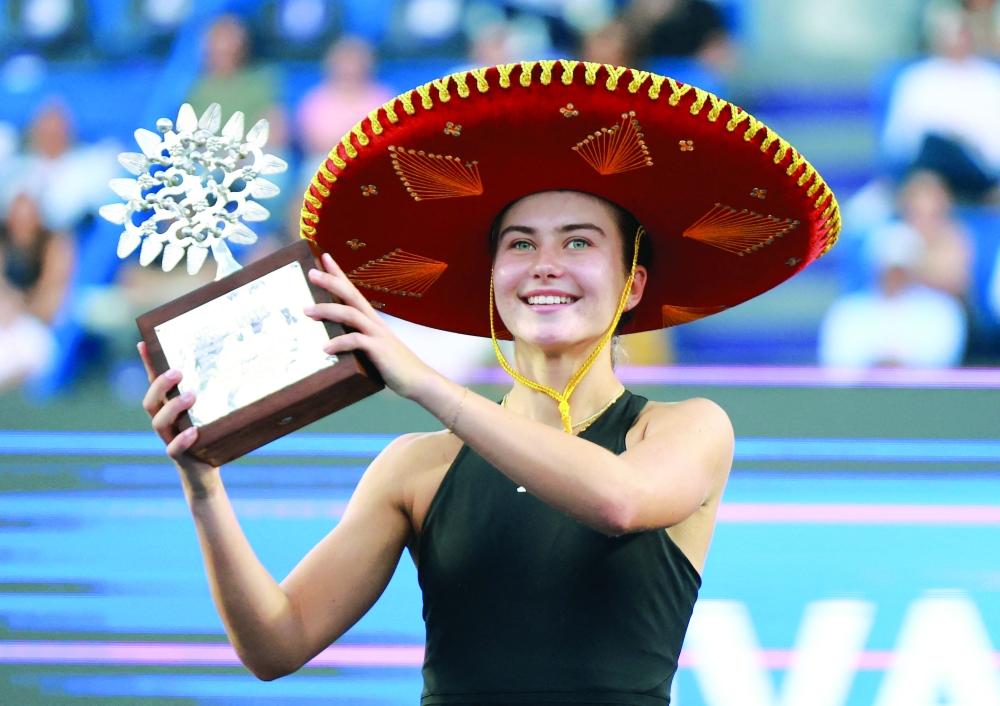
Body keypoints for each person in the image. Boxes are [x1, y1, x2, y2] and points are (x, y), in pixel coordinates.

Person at [137, 61, 839, 703]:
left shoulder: (685, 428)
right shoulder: (416, 468)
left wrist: (433, 386)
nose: (545, 265)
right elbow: (275, 643)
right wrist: (203, 483)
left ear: (634, 285)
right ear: (493, 281)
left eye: (579, 242)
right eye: (520, 244)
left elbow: (620, 501)